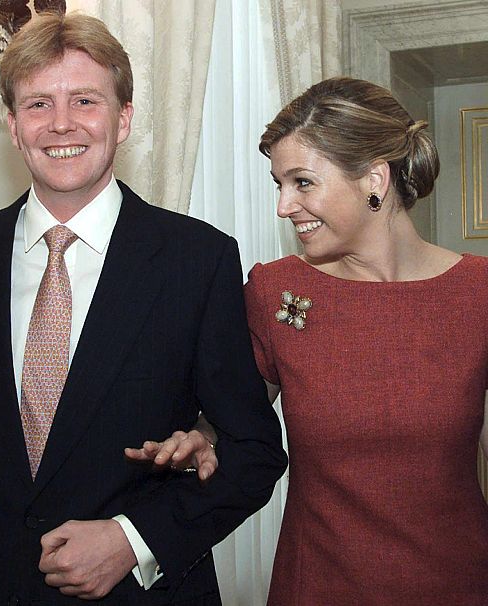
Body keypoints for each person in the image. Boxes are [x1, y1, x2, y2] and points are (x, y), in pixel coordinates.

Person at [0, 12, 287, 606]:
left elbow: (253, 451)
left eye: (85, 101)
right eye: (38, 104)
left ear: (123, 119)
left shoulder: (197, 259)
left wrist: (133, 539)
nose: (61, 123)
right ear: (13, 126)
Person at [129, 77, 488, 605]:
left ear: (374, 179)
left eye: (302, 182)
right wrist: (204, 436)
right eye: (279, 184)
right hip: (316, 586)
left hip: (459, 584)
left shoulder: (478, 292)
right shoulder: (275, 292)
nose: (283, 205)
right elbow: (236, 417)